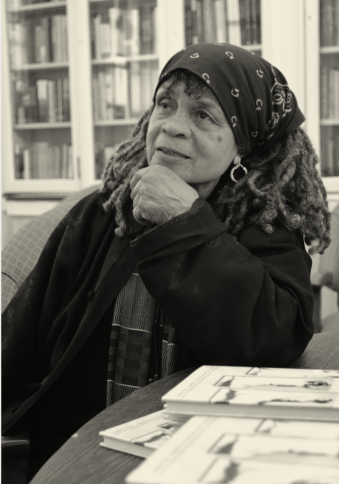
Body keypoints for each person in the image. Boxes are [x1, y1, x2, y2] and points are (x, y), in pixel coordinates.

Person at [2, 43, 331, 479]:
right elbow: (19, 339)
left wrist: (184, 220)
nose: (172, 127)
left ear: (242, 145)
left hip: (205, 459)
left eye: (203, 114)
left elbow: (274, 340)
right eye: (165, 104)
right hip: (78, 456)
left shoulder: (266, 225)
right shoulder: (103, 214)